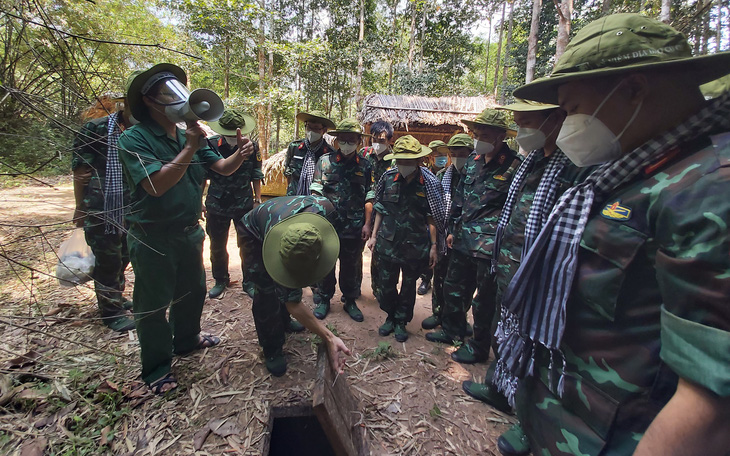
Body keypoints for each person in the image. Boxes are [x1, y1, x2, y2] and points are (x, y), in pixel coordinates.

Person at [495, 13, 730, 455]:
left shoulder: (710, 189)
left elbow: (711, 404)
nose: (565, 124)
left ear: (634, 90)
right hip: (568, 420)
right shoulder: (628, 170)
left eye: (574, 108)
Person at [459, 99, 589, 456]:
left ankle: (530, 423)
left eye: (526, 122)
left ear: (555, 120)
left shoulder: (573, 164)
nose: (521, 130)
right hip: (510, 263)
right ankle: (501, 389)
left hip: (540, 270)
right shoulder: (533, 161)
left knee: (540, 346)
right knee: (509, 331)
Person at [118, 64, 253, 394]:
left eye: (180, 90)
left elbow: (221, 168)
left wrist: (240, 153)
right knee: (153, 306)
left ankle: (187, 339)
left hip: (189, 233)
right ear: (150, 101)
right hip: (152, 237)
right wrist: (190, 147)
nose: (180, 99)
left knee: (192, 293)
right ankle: (157, 369)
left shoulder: (188, 135)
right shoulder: (134, 138)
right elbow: (155, 185)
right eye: (169, 93)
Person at [426, 109, 520, 367]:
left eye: (485, 135)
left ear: (501, 136)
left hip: (490, 246)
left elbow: (515, 210)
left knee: (484, 301)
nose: (479, 139)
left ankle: (479, 347)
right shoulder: (474, 161)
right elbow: (460, 198)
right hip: (464, 239)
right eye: (477, 134)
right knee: (453, 287)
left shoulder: (514, 166)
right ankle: (452, 330)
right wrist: (453, 229)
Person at [239, 195, 351, 376]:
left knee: (290, 282)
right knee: (267, 291)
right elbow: (293, 303)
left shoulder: (327, 210)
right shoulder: (274, 238)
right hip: (254, 233)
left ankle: (284, 322)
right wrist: (329, 337)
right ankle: (272, 348)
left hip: (286, 223)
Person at [367, 135, 445, 342]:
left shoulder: (429, 182)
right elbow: (380, 209)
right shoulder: (388, 177)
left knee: (409, 286)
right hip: (388, 242)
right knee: (385, 284)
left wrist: (434, 245)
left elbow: (433, 216)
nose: (404, 165)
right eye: (400, 160)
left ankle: (401, 321)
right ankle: (390, 316)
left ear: (419, 161)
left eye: (408, 161)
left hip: (415, 244)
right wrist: (374, 236)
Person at [72, 92, 136, 332]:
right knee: (108, 258)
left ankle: (115, 297)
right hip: (101, 206)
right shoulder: (95, 129)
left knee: (124, 255)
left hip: (132, 205)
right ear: (126, 105)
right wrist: (80, 206)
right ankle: (111, 313)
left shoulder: (144, 130)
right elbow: (81, 171)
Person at [310, 118, 373, 322]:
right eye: (343, 140)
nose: (347, 143)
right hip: (328, 224)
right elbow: (316, 190)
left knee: (351, 265)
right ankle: (324, 299)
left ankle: (350, 301)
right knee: (325, 263)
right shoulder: (325, 161)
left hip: (354, 227)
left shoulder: (365, 165)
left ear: (358, 141)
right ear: (337, 140)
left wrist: (367, 223)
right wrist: (317, 219)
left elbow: (369, 196)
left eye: (351, 140)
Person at [203, 109, 263, 299]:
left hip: (243, 202)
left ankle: (249, 282)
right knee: (217, 245)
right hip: (216, 203)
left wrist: (257, 200)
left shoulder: (251, 146)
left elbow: (256, 174)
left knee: (248, 244)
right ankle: (220, 280)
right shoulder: (210, 145)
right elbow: (202, 177)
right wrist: (199, 202)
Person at [421, 134, 472, 330]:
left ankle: (460, 318)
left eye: (463, 153)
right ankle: (438, 314)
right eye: (454, 153)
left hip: (467, 238)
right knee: (440, 276)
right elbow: (434, 209)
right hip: (444, 235)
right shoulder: (442, 176)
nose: (458, 156)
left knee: (465, 282)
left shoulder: (476, 175)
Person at [361, 120, 394, 299]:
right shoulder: (364, 154)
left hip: (386, 212)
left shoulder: (395, 160)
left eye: (382, 140)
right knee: (356, 249)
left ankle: (378, 288)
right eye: (375, 139)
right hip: (364, 209)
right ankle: (353, 287)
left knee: (380, 251)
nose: (377, 143)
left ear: (389, 141)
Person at [416, 140, 450, 296]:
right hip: (426, 221)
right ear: (430, 157)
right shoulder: (424, 173)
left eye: (443, 155)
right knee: (427, 251)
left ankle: (439, 282)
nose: (441, 158)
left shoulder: (448, 173)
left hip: (444, 219)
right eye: (438, 155)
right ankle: (425, 279)